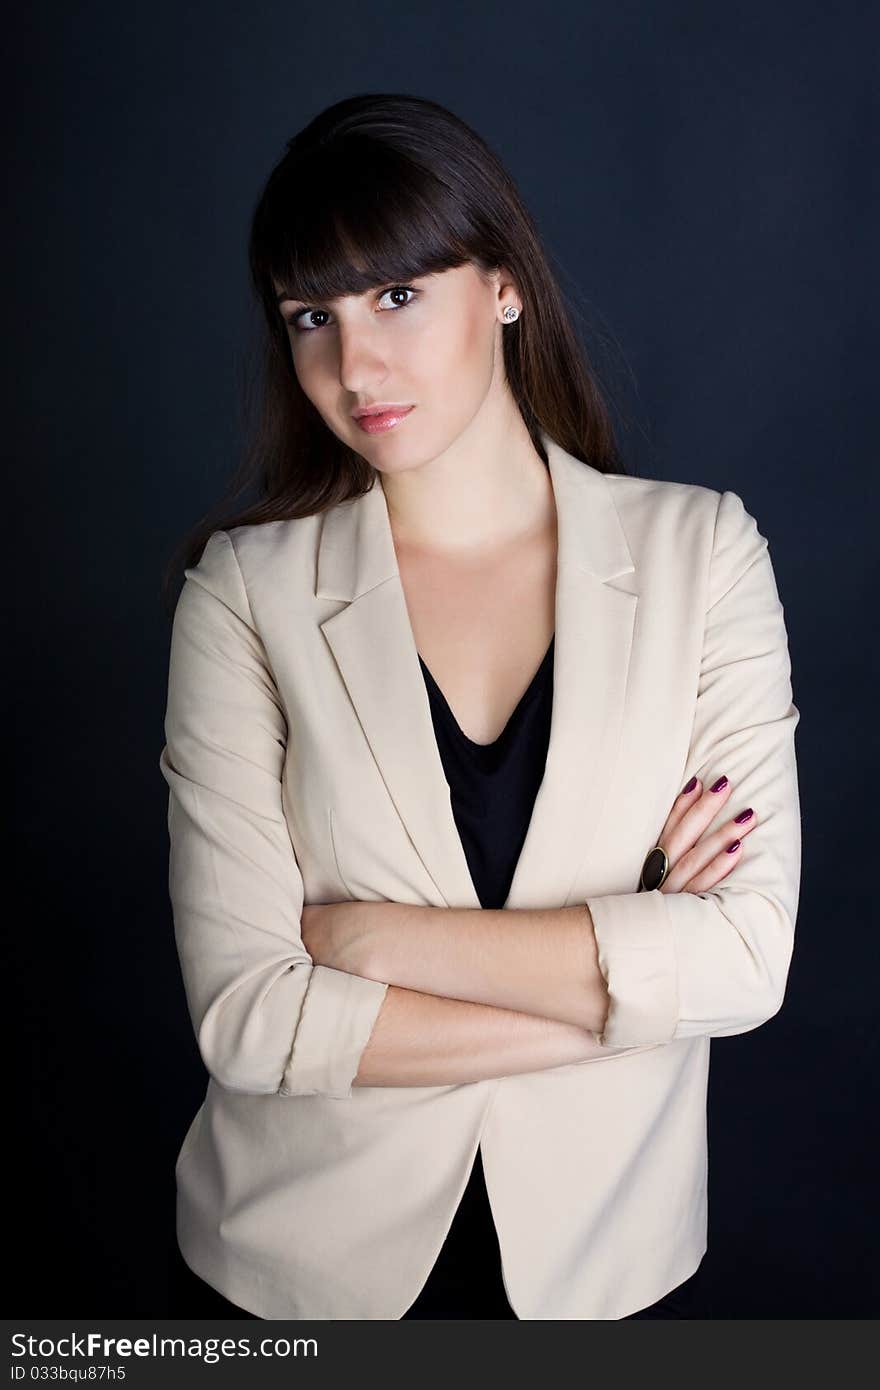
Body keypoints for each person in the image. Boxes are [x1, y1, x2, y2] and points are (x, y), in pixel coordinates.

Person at [159, 93, 801, 1320]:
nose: (354, 367)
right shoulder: (244, 595)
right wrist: (635, 997)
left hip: (605, 1258)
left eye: (397, 295)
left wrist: (375, 943)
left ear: (503, 286)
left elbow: (747, 956)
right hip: (297, 1276)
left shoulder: (701, 555)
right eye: (313, 319)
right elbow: (249, 1018)